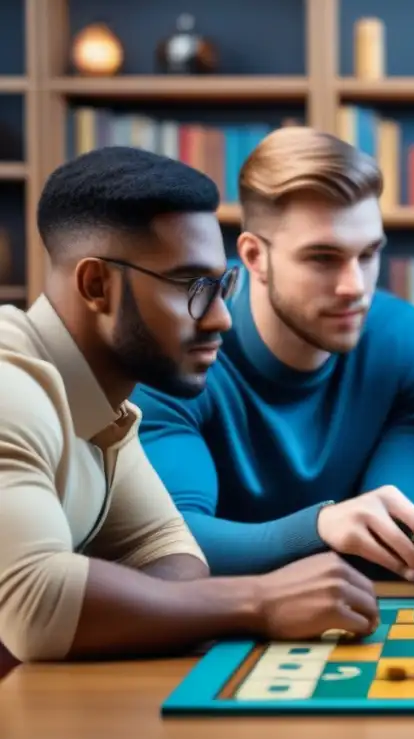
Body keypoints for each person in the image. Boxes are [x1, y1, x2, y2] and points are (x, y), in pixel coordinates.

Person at [0, 146, 385, 664]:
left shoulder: (108, 410)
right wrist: (261, 600)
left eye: (222, 284)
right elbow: (40, 606)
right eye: (192, 286)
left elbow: (171, 555)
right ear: (96, 285)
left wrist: (100, 604)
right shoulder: (10, 389)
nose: (221, 318)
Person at [132, 126, 414, 578]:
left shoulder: (399, 340)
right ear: (254, 257)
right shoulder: (179, 350)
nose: (354, 288)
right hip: (214, 623)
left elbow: (398, 537)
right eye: (322, 258)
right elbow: (169, 542)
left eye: (369, 254)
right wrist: (319, 528)